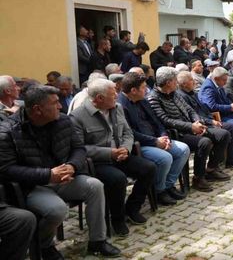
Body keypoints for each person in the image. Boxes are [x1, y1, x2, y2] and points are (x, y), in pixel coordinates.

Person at [1, 84, 120, 257]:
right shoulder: (8, 132)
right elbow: (6, 169)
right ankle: (45, 245)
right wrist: (48, 175)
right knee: (57, 210)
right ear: (38, 109)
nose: (60, 106)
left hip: (65, 177)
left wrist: (72, 166)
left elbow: (79, 149)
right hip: (33, 186)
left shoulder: (63, 120)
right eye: (55, 102)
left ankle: (97, 241)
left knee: (95, 186)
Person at [70, 79, 156, 236]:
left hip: (121, 155)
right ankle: (117, 218)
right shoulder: (78, 117)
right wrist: (109, 153)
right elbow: (80, 148)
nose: (117, 95)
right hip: (98, 162)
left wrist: (125, 148)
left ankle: (132, 208)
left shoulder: (117, 108)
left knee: (148, 168)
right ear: (99, 99)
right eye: (112, 94)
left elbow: (127, 133)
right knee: (118, 179)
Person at [147, 67, 230, 191]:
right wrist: (190, 127)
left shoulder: (174, 93)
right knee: (204, 142)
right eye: (175, 80)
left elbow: (190, 110)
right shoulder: (154, 97)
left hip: (191, 126)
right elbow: (165, 120)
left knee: (223, 134)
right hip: (177, 133)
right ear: (169, 82)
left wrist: (197, 121)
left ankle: (212, 168)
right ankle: (198, 178)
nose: (177, 83)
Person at [117, 73, 190, 206]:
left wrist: (164, 136)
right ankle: (159, 191)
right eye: (144, 87)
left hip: (157, 139)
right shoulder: (121, 106)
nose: (147, 90)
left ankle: (168, 185)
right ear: (133, 90)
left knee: (183, 150)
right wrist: (155, 141)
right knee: (165, 158)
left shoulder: (143, 100)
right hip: (140, 145)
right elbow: (130, 133)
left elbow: (157, 121)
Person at [176, 71, 233, 169]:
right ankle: (216, 166)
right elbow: (192, 115)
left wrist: (210, 119)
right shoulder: (182, 96)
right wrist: (210, 121)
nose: (195, 82)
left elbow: (203, 109)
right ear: (184, 84)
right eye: (191, 80)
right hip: (198, 124)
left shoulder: (192, 93)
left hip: (207, 120)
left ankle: (226, 159)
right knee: (228, 130)